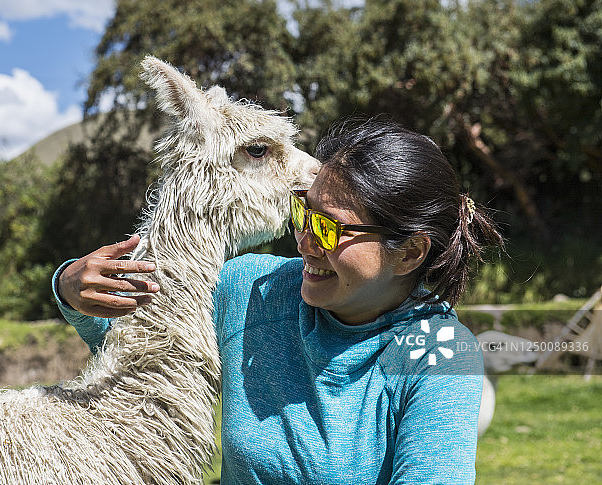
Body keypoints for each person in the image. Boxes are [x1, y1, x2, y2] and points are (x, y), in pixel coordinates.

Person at [53, 116, 503, 484]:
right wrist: (70, 286)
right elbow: (136, 343)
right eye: (303, 213)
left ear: (408, 252)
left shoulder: (440, 354)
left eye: (329, 229)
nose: (305, 242)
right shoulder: (252, 288)